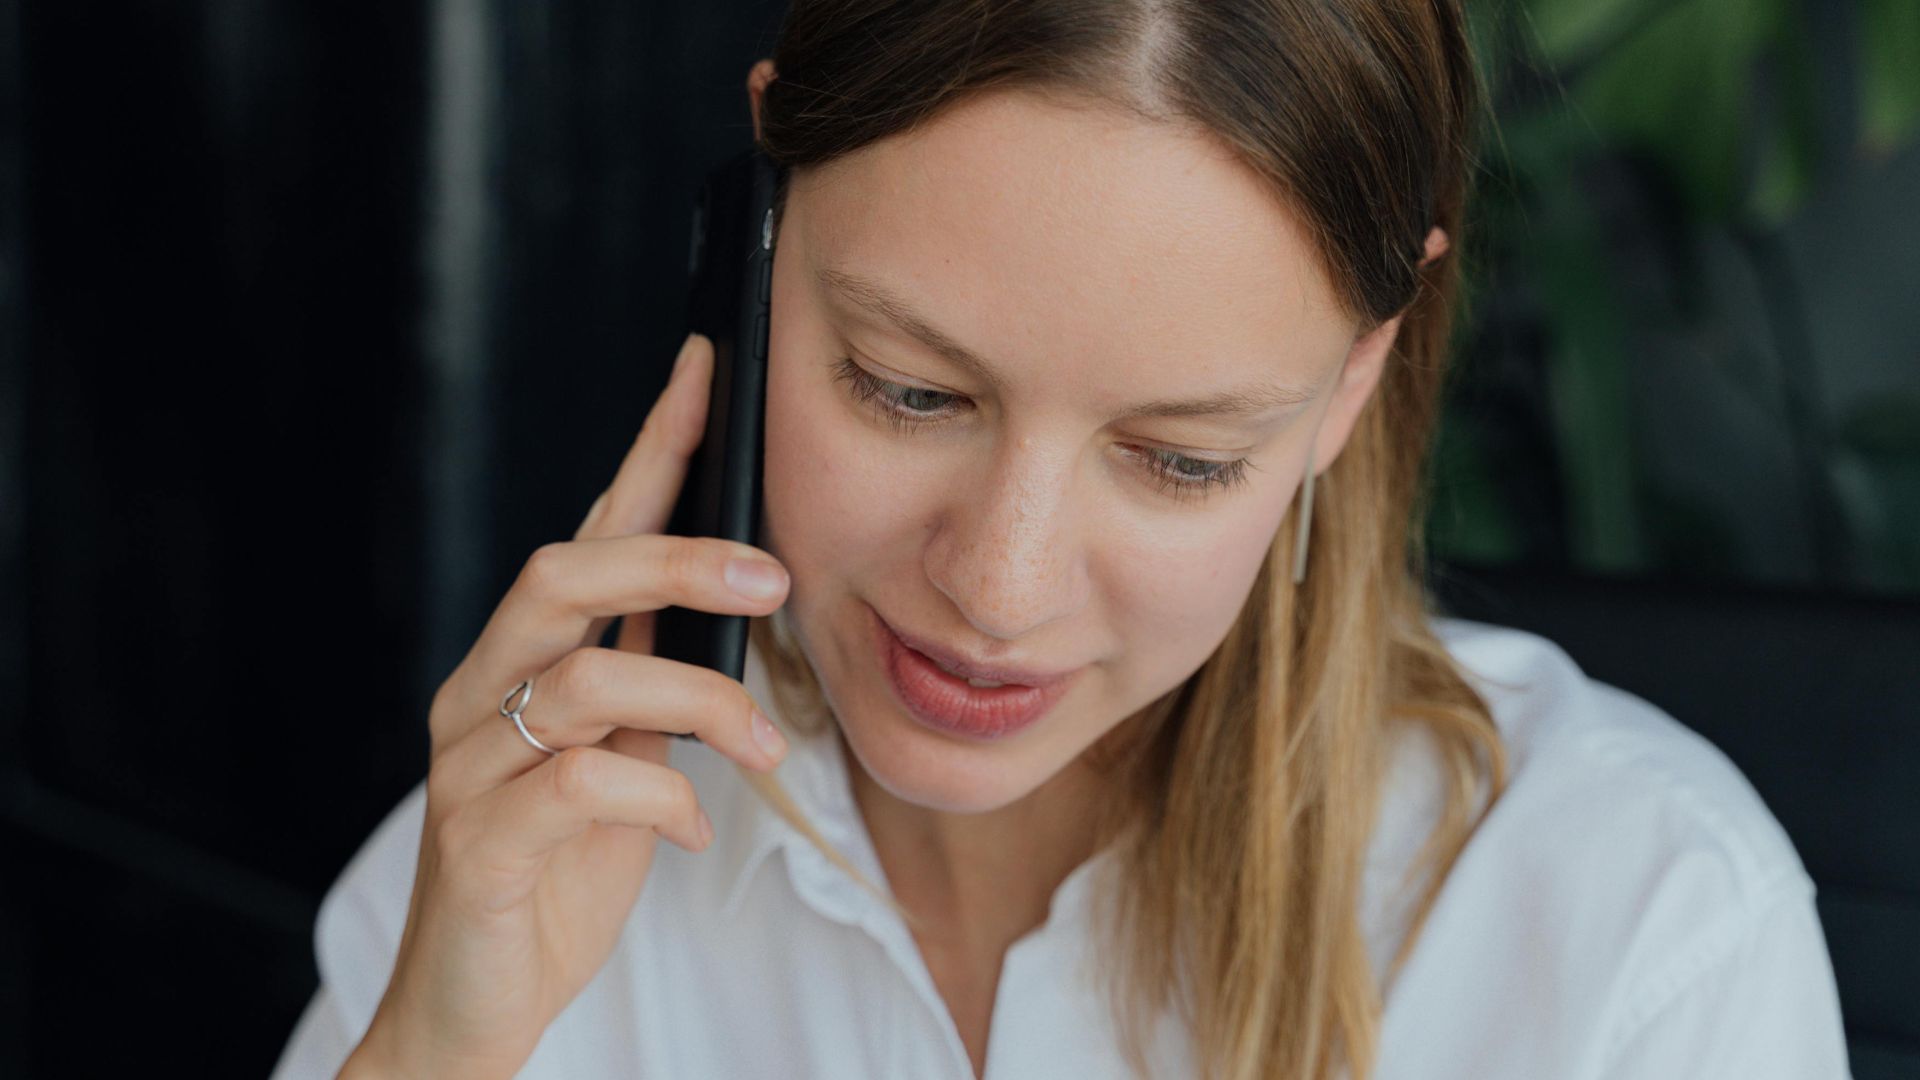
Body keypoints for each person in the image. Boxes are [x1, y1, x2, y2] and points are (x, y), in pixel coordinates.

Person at [270, 1, 1853, 1078]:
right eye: (906, 389)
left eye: (1176, 461)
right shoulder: (524, 857)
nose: (997, 591)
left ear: (1350, 383)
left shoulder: (1645, 934)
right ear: (757, 227)